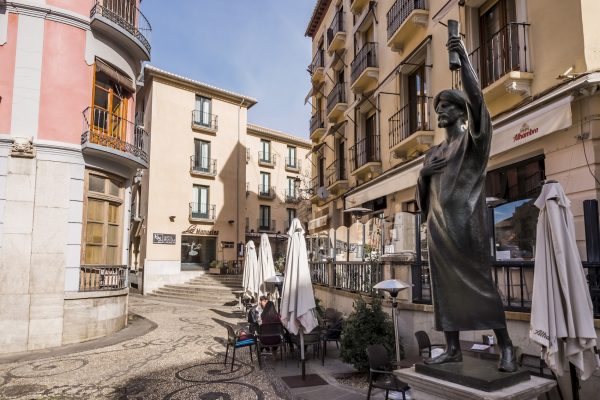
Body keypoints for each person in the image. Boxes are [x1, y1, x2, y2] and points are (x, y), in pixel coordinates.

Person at [415, 35, 517, 372]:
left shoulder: (473, 143)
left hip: (467, 229)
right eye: (438, 107)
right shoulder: (433, 154)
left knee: (482, 286)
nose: (440, 111)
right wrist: (423, 174)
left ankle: (506, 347)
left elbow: (478, 101)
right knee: (444, 291)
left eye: (446, 106)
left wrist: (463, 56)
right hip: (439, 232)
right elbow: (423, 200)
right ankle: (453, 348)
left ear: (461, 113)